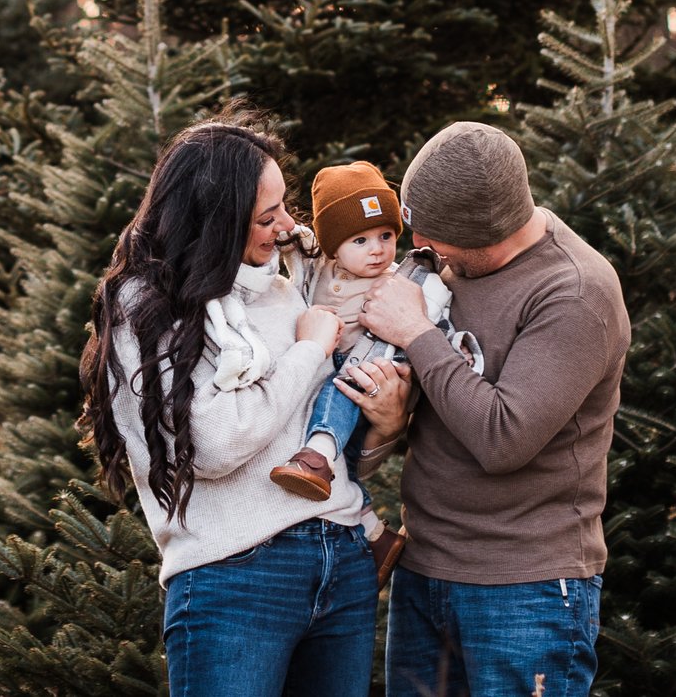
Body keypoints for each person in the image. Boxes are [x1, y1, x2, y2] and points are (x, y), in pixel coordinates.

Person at [82, 117, 415, 697]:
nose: (288, 227)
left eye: (284, 207)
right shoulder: (148, 308)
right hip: (237, 575)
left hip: (342, 556)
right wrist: (310, 348)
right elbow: (212, 446)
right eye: (268, 217)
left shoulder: (285, 292)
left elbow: (322, 451)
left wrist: (385, 426)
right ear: (217, 220)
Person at [357, 121, 630, 697]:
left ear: (484, 234)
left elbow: (503, 438)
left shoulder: (574, 292)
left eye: (432, 238)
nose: (417, 249)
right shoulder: (447, 270)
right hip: (424, 570)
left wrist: (415, 332)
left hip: (524, 589)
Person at [264, 160, 460, 583]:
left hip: (369, 369)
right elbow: (294, 244)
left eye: (386, 236)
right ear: (335, 246)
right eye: (361, 239)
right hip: (320, 365)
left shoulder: (401, 283)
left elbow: (437, 323)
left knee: (342, 386)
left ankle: (316, 457)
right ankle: (374, 532)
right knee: (344, 461)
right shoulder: (319, 268)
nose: (377, 249)